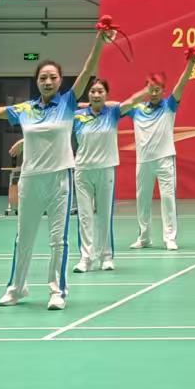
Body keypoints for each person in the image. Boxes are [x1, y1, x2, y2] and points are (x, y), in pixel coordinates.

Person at [0, 29, 109, 309]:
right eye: (43, 77)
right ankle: (17, 288)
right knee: (24, 238)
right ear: (37, 81)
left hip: (59, 179)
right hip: (30, 180)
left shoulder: (68, 103)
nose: (48, 81)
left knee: (58, 240)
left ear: (60, 81)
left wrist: (99, 41)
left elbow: (87, 70)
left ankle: (57, 292)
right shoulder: (26, 109)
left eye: (53, 77)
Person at [126, 50, 195, 252]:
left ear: (163, 91)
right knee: (142, 200)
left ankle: (169, 238)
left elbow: (181, 85)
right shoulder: (137, 109)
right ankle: (144, 237)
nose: (154, 93)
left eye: (158, 89)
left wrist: (191, 64)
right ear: (147, 89)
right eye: (151, 89)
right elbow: (118, 106)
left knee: (168, 200)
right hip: (143, 161)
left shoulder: (169, 106)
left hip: (165, 160)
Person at [72, 77, 122, 274]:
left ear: (106, 94)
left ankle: (106, 257)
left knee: (104, 216)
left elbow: (129, 103)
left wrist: (103, 104)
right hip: (82, 170)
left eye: (100, 91)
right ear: (88, 94)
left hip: (105, 169)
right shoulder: (77, 116)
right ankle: (86, 259)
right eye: (93, 91)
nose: (96, 94)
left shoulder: (113, 113)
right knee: (85, 217)